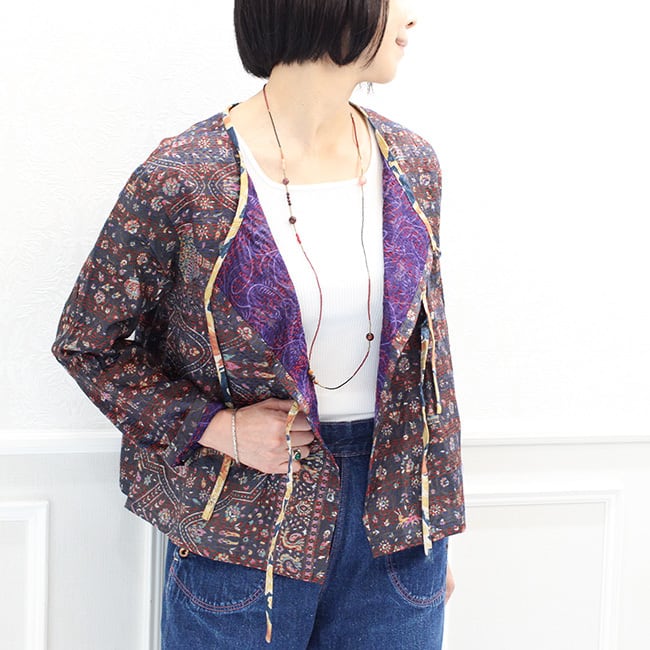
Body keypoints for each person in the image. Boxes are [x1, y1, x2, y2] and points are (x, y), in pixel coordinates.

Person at [52, 1, 466, 647]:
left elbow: (426, 356)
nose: (411, 17)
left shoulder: (411, 162)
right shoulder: (185, 176)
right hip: (243, 516)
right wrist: (216, 427)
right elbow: (87, 342)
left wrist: (429, 517)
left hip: (394, 519)